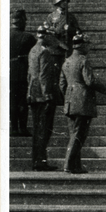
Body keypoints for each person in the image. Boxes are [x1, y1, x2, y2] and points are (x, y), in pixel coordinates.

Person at [60, 33, 106, 174]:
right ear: (82, 46)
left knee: (73, 134)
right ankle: (69, 164)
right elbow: (90, 81)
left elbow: (62, 84)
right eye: (87, 44)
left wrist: (70, 96)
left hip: (70, 101)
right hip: (82, 102)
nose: (89, 47)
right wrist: (105, 89)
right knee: (79, 134)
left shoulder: (67, 61)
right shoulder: (83, 61)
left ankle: (76, 165)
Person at [27, 26, 61, 171]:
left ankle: (37, 160)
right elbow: (44, 76)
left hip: (33, 93)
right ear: (46, 36)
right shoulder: (44, 52)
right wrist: (48, 96)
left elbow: (30, 74)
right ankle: (40, 161)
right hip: (42, 95)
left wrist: (29, 92)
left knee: (37, 129)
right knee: (43, 129)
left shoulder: (32, 50)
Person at [10, 9, 36, 136]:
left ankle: (14, 128)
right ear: (21, 22)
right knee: (22, 102)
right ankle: (23, 128)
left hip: (8, 73)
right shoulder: (28, 37)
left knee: (12, 101)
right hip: (22, 73)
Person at [45, 0, 81, 79]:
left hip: (68, 50)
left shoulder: (71, 17)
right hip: (56, 51)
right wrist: (59, 43)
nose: (66, 3)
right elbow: (47, 35)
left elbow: (78, 32)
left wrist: (70, 29)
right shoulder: (51, 16)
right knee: (56, 75)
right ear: (58, 2)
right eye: (63, 1)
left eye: (66, 1)